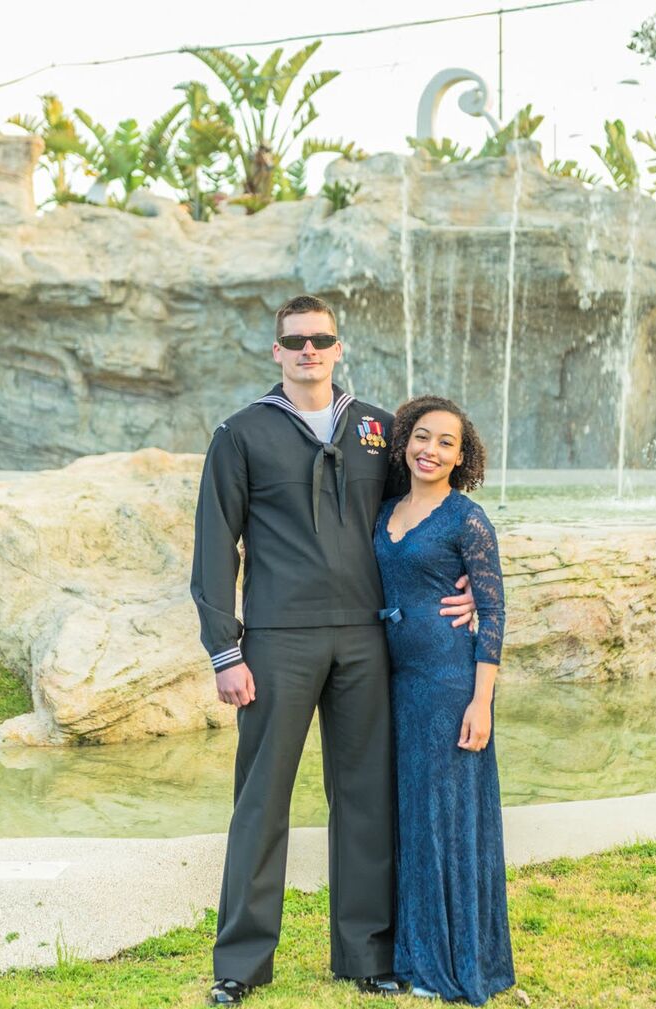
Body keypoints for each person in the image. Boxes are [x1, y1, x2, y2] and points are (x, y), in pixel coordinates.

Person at [189, 295, 476, 1005]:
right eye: (296, 341)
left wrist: (463, 577)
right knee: (261, 801)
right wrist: (225, 650)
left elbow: (422, 510)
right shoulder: (240, 432)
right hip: (278, 639)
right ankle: (242, 963)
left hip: (365, 636)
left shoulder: (380, 428)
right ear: (277, 351)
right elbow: (213, 545)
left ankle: (368, 953)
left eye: (321, 339)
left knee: (366, 798)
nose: (309, 351)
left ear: (339, 347)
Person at [373, 395, 516, 1006]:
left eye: (446, 442)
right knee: (412, 818)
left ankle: (456, 962)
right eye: (422, 437)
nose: (431, 450)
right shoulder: (384, 509)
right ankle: (412, 954)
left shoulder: (468, 520)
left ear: (463, 456)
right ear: (404, 441)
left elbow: (495, 614)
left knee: (449, 819)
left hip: (449, 685)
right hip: (396, 685)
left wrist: (481, 702)